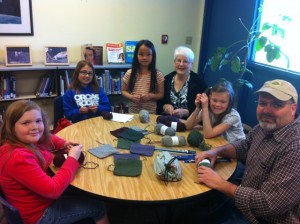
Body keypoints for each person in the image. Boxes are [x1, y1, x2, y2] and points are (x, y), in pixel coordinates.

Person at [195, 79, 300, 223]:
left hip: (265, 219)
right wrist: (216, 151)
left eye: (277, 105)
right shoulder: (263, 128)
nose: (267, 110)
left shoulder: (295, 147)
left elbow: (268, 204)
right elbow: (244, 147)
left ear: (293, 108)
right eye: (263, 103)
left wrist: (220, 184)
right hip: (243, 202)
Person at [0, 100, 109, 224]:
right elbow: (54, 190)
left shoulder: (18, 140)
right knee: (98, 207)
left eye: (38, 121)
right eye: (26, 123)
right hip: (39, 215)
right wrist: (72, 158)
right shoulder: (18, 157)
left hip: (37, 200)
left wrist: (63, 143)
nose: (34, 127)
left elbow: (46, 137)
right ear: (11, 126)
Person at [156, 46, 206, 119]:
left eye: (185, 61)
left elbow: (204, 108)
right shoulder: (167, 79)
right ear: (174, 62)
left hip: (189, 124)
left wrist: (187, 112)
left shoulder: (199, 82)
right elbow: (159, 102)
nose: (181, 64)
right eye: (178, 60)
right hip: (167, 121)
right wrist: (164, 106)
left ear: (191, 64)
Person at [121, 40, 164, 114]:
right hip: (133, 113)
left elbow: (161, 94)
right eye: (141, 54)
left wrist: (151, 96)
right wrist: (131, 97)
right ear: (136, 55)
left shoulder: (158, 74)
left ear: (153, 56)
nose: (144, 57)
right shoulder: (129, 73)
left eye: (148, 54)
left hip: (151, 113)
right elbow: (123, 91)